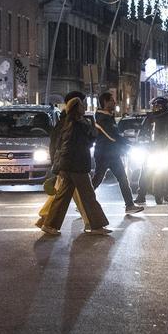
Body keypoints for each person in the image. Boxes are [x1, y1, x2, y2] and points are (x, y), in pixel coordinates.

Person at [43, 97, 111, 235]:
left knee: (62, 197)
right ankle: (97, 226)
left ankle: (49, 225)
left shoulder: (68, 123)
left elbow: (66, 145)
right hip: (77, 166)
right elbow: (85, 142)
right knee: (88, 196)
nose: (84, 107)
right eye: (81, 105)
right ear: (76, 108)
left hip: (69, 165)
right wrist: (91, 128)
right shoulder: (78, 125)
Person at [91, 91, 142, 213]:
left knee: (121, 178)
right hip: (105, 154)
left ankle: (129, 205)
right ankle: (83, 202)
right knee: (98, 179)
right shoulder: (103, 119)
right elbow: (113, 136)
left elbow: (115, 136)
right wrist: (129, 143)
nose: (115, 102)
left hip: (111, 154)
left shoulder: (107, 116)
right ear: (105, 102)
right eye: (112, 100)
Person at [135, 96, 168, 205]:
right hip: (151, 149)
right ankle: (141, 195)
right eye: (154, 106)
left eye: (158, 106)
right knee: (145, 171)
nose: (155, 108)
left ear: (164, 106)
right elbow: (142, 132)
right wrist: (141, 140)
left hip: (166, 149)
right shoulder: (149, 118)